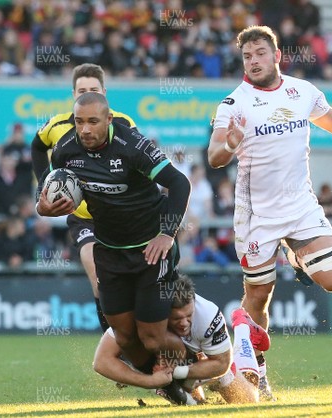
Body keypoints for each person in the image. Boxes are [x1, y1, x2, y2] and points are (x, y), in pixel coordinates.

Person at [207, 25, 332, 399]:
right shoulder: (233, 104)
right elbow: (215, 155)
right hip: (257, 217)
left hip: (301, 206)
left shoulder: (302, 91)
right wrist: (230, 144)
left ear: (276, 55)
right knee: (258, 298)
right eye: (246, 56)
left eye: (259, 54)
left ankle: (298, 258)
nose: (253, 61)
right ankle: (261, 376)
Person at [36, 92, 191, 400]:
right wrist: (43, 207)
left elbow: (179, 183)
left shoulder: (133, 145)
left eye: (93, 121)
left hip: (150, 250)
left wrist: (167, 234)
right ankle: (172, 390)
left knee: (151, 338)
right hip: (108, 251)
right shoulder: (65, 150)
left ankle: (198, 367)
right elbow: (48, 189)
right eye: (79, 122)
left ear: (109, 120)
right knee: (125, 336)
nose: (85, 130)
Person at [31, 63, 137, 333]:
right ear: (73, 94)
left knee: (132, 284)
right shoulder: (58, 125)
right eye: (81, 90)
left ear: (104, 93)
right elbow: (37, 145)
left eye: (93, 90)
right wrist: (43, 184)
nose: (86, 94)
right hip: (84, 218)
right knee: (99, 279)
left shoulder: (123, 123)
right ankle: (117, 348)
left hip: (122, 217)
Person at [92, 275, 266, 405]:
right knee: (195, 408)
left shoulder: (207, 314)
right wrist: (150, 381)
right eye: (176, 318)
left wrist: (175, 372)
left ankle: (242, 326)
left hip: (204, 362)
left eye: (188, 316)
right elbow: (101, 362)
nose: (184, 324)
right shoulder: (143, 314)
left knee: (248, 402)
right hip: (177, 360)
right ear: (162, 311)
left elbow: (221, 364)